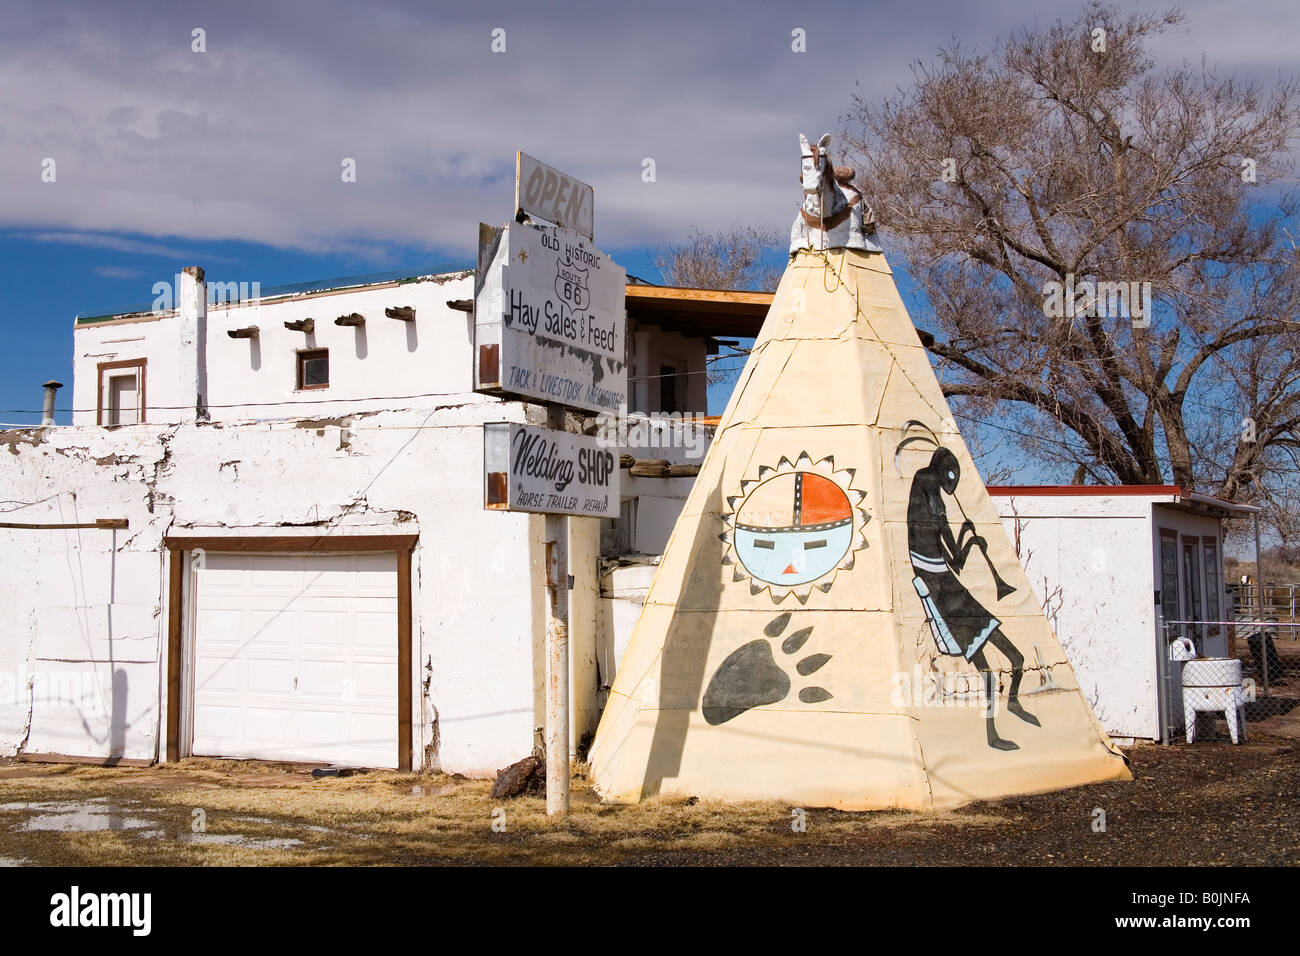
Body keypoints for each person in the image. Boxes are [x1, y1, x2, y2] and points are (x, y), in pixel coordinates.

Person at [907, 447, 1039, 750]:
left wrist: (968, 538)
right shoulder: (924, 480)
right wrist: (949, 521)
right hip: (942, 595)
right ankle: (992, 736)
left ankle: (1014, 703)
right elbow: (927, 481)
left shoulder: (938, 510)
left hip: (953, 586)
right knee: (988, 673)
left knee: (1016, 657)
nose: (948, 486)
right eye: (948, 476)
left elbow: (956, 561)